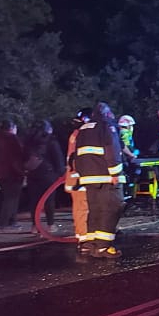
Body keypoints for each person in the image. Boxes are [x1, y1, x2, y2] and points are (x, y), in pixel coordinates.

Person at [73, 101, 126, 258]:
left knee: (95, 210)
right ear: (107, 113)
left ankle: (90, 244)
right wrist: (115, 173)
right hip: (106, 176)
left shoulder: (84, 128)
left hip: (87, 178)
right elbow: (112, 150)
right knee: (112, 208)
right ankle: (104, 246)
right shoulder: (107, 126)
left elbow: (77, 154)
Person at [23, 120, 65, 230]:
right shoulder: (51, 141)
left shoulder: (28, 141)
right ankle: (50, 224)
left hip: (32, 174)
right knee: (49, 200)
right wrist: (61, 173)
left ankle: (35, 225)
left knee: (34, 200)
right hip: (48, 175)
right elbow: (58, 159)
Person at [66, 108, 93, 253]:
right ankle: (83, 239)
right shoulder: (81, 135)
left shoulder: (77, 134)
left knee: (84, 208)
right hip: (79, 179)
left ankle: (85, 236)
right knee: (82, 209)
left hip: (79, 178)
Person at [0, 119, 25, 230]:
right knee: (11, 198)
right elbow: (17, 156)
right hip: (12, 173)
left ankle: (11, 221)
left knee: (9, 197)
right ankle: (3, 223)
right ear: (12, 128)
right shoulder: (12, 138)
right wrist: (22, 171)